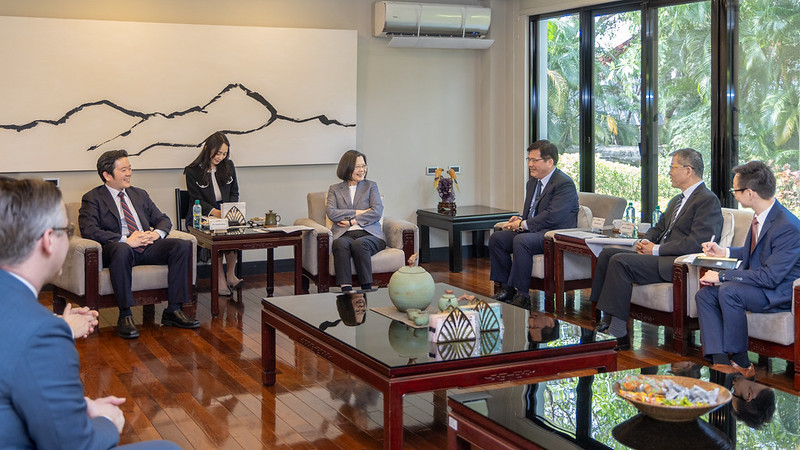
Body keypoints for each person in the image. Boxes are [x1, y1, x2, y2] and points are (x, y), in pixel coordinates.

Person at [0, 178, 178, 449]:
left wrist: (75, 405)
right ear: (49, 240)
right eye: (67, 229)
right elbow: (74, 444)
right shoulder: (42, 334)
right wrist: (107, 420)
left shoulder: (26, 317)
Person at [592, 148, 723, 351]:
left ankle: (618, 330)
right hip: (659, 257)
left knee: (620, 261)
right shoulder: (677, 200)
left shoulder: (707, 200)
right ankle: (604, 317)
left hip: (677, 263)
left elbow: (698, 243)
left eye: (673, 167)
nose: (669, 172)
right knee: (608, 252)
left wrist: (657, 250)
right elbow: (659, 228)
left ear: (688, 171)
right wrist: (644, 243)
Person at [79, 150, 199, 339]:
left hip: (146, 246)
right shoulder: (93, 198)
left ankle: (173, 311)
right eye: (123, 170)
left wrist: (155, 234)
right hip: (118, 249)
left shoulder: (139, 194)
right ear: (107, 175)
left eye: (130, 168)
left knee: (182, 245)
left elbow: (163, 219)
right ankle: (125, 314)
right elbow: (89, 230)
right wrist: (126, 240)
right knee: (122, 249)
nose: (129, 173)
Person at [696, 161, 800, 377]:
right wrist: (723, 252)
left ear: (750, 193)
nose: (734, 194)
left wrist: (723, 276)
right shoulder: (760, 216)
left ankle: (742, 362)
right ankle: (720, 360)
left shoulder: (788, 226)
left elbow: (771, 277)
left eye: (735, 190)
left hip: (776, 291)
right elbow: (753, 253)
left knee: (728, 290)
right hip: (757, 285)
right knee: (705, 295)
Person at [489, 140, 579, 308]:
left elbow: (553, 217)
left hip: (554, 233)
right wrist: (519, 220)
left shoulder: (563, 184)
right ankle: (507, 288)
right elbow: (532, 212)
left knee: (521, 241)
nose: (530, 164)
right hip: (534, 230)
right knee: (497, 238)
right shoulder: (532, 183)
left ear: (549, 161)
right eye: (528, 160)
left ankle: (523, 294)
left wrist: (524, 224)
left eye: (534, 160)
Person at [184, 131, 243, 296]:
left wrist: (230, 210)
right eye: (218, 153)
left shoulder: (228, 166)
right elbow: (196, 199)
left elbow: (234, 192)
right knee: (216, 238)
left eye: (224, 153)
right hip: (200, 213)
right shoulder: (192, 171)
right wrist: (216, 212)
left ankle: (230, 275)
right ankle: (220, 280)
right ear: (207, 149)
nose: (221, 157)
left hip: (224, 211)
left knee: (234, 233)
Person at [326, 150, 385, 292]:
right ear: (347, 167)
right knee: (339, 244)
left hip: (370, 234)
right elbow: (332, 213)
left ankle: (367, 288)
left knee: (360, 244)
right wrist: (359, 212)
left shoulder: (371, 186)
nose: (362, 170)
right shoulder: (335, 189)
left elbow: (377, 211)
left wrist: (352, 222)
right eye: (358, 166)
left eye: (363, 166)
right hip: (345, 234)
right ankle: (346, 289)